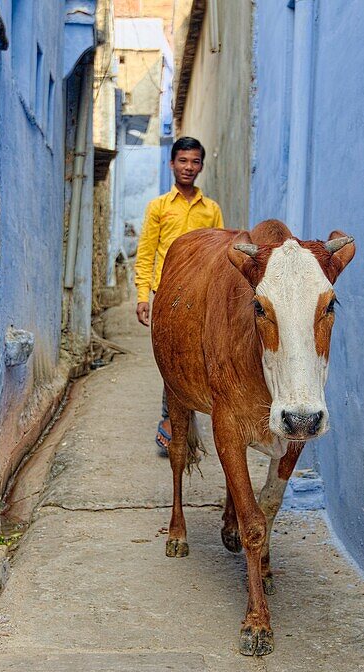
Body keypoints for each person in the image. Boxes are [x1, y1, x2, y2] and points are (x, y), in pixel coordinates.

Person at [134, 137, 225, 455]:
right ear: (171, 164)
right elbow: (146, 252)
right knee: (171, 360)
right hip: (168, 295)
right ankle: (171, 420)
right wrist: (143, 295)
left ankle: (192, 421)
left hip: (201, 297)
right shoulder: (159, 207)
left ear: (201, 166)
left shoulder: (211, 210)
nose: (189, 167)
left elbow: (221, 254)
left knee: (201, 358)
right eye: (183, 161)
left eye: (195, 162)